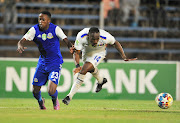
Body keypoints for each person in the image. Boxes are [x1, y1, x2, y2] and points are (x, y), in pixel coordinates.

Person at [62, 27, 137, 105]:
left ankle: (69, 96)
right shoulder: (81, 36)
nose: (95, 41)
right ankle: (101, 80)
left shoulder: (105, 36)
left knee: (84, 70)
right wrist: (77, 65)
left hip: (99, 53)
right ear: (88, 36)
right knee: (90, 68)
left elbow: (115, 43)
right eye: (93, 39)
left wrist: (124, 56)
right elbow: (76, 53)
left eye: (97, 39)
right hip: (86, 52)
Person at [17, 11, 73, 110]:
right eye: (39, 19)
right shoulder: (34, 29)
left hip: (55, 62)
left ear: (48, 21)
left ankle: (55, 100)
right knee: (35, 91)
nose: (40, 21)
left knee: (51, 91)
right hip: (42, 62)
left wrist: (70, 47)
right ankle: (40, 101)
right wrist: (20, 45)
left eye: (43, 19)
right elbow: (22, 40)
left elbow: (66, 40)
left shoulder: (55, 29)